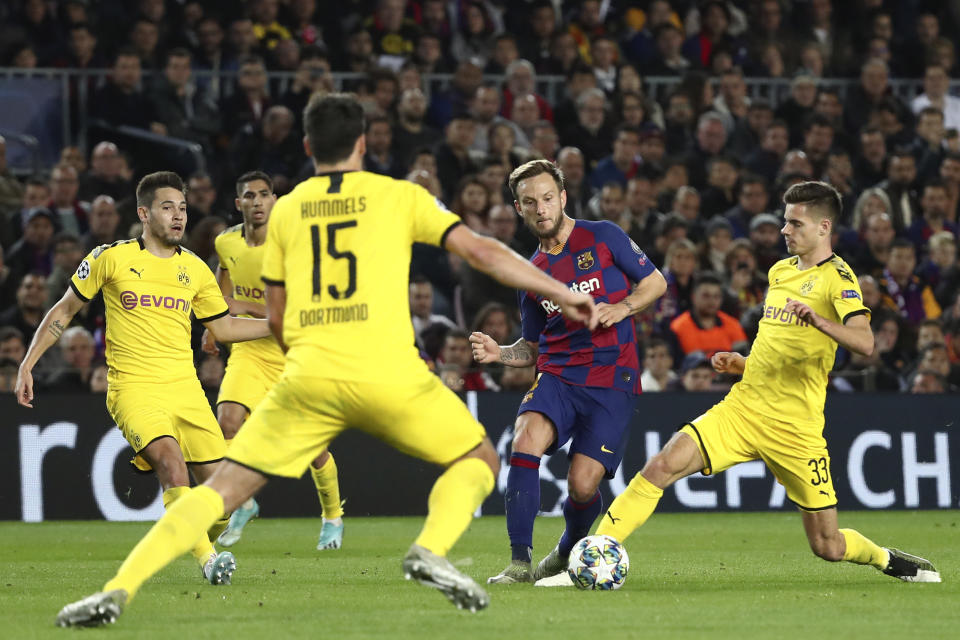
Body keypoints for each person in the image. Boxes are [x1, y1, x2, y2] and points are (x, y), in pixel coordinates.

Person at [54, 93, 599, 626]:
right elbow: (481, 249)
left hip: (310, 375)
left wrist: (299, 374)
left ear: (310, 143)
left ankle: (116, 590)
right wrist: (561, 289)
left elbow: (278, 313)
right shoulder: (399, 196)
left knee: (220, 491)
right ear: (362, 141)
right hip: (389, 370)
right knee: (479, 459)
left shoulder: (285, 213)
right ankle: (430, 549)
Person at [596, 181, 940, 584]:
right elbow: (775, 342)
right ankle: (597, 552)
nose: (784, 230)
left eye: (795, 223)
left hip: (795, 428)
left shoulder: (839, 279)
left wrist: (819, 321)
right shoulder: (779, 272)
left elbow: (865, 341)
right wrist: (743, 363)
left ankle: (886, 559)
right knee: (661, 465)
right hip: (744, 408)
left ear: (823, 227)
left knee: (827, 546)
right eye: (784, 221)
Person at [18, 171, 276, 607]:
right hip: (134, 389)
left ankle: (194, 536)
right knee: (172, 467)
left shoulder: (194, 268)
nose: (178, 216)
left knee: (223, 501)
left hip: (187, 391)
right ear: (144, 213)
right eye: (168, 207)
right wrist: (28, 364)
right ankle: (210, 560)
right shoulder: (110, 258)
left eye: (183, 208)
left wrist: (278, 325)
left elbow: (225, 327)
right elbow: (64, 310)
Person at [470, 159, 667, 585]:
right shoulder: (530, 275)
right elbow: (533, 347)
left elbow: (656, 283)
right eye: (529, 202)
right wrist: (499, 353)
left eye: (546, 198)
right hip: (558, 376)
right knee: (525, 439)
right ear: (519, 209)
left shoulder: (604, 236)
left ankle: (564, 552)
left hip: (613, 380)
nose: (540, 208)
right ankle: (520, 563)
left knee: (581, 486)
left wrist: (623, 307)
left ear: (561, 197)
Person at [202, 171, 345, 550]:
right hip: (250, 349)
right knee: (227, 422)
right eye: (250, 195)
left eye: (265, 194)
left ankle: (332, 516)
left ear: (275, 200)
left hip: (292, 351)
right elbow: (224, 274)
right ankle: (243, 501)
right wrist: (214, 322)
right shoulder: (226, 241)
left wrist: (241, 307)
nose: (258, 202)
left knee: (313, 449)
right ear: (239, 204)